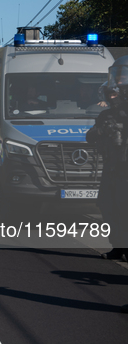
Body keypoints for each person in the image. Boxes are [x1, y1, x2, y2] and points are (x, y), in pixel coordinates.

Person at [86, 58, 128, 262]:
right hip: (111, 169)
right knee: (108, 206)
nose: (112, 97)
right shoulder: (105, 115)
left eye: (115, 94)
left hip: (125, 169)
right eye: (109, 94)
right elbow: (90, 137)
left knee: (124, 207)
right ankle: (117, 246)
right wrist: (100, 130)